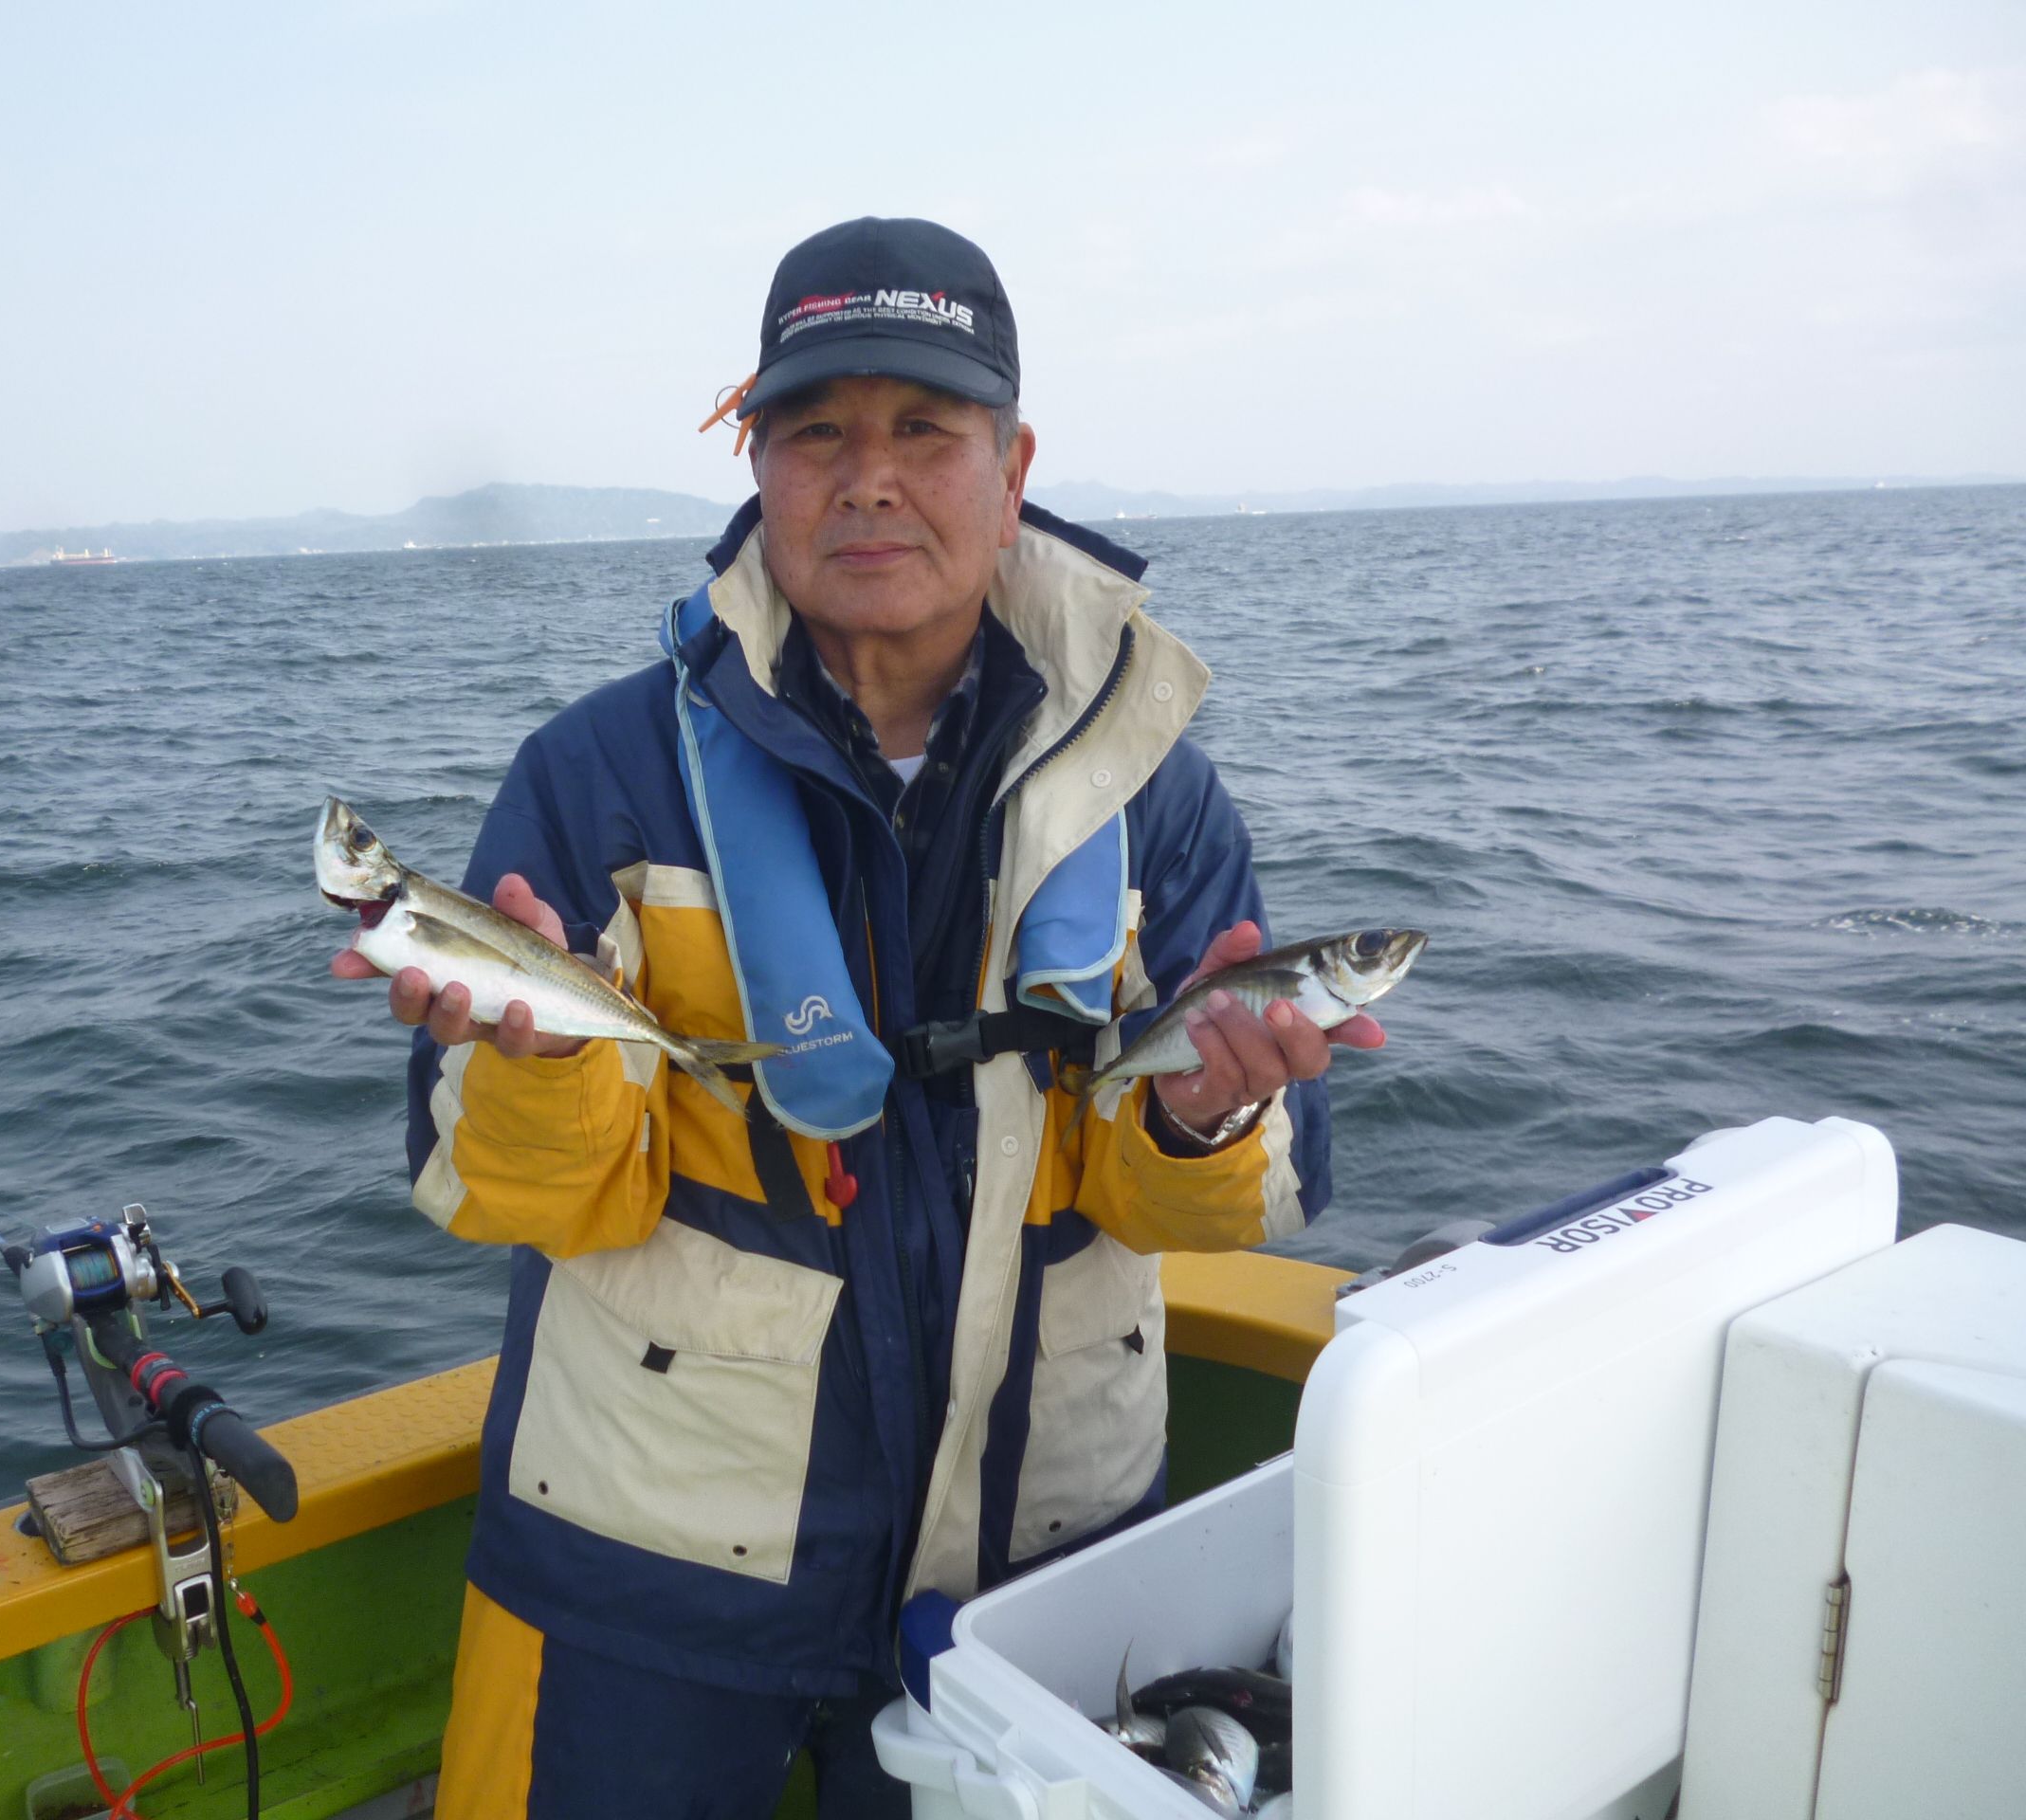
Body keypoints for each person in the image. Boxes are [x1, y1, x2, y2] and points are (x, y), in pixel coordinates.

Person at [333, 217, 1386, 1818]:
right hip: (646, 1561)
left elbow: (1236, 1195)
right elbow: (490, 1189)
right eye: (815, 430)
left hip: (1043, 1575)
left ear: (1012, 466)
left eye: (924, 430)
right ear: (754, 464)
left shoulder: (1155, 797)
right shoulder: (595, 777)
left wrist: (1206, 1114)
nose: (868, 478)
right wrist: (536, 1074)